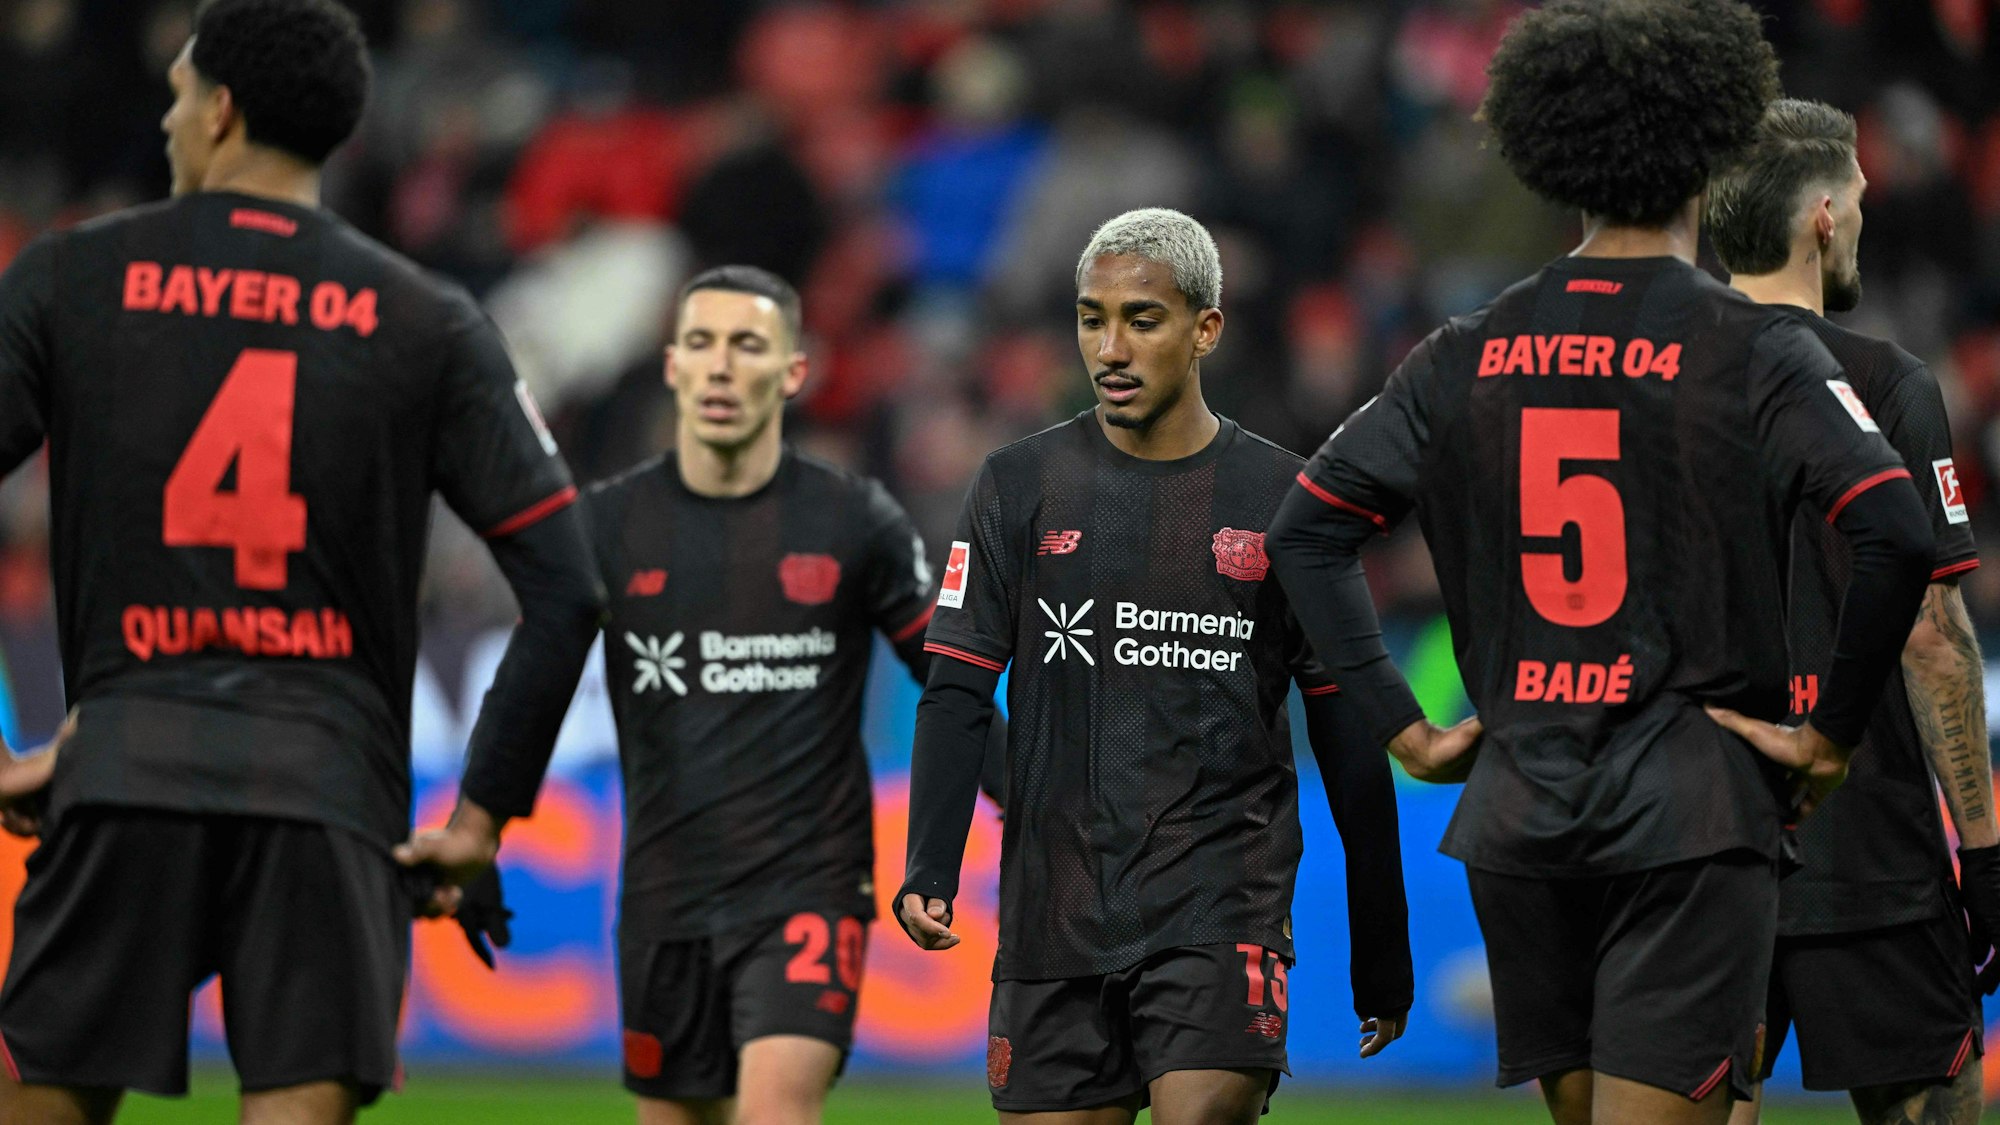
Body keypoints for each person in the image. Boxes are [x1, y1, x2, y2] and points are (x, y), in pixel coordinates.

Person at [1263, 3, 1937, 1123]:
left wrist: (1403, 725)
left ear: (1549, 154)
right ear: (1707, 152)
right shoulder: (1756, 347)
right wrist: (1831, 735)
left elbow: (1305, 527)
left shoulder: (1461, 350)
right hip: (1686, 810)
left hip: (1520, 810)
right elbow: (1895, 528)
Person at [0, 1, 604, 1122]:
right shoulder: (429, 320)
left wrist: (40, 743)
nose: (171, 119)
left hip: (125, 771)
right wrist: (477, 823)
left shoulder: (72, 278)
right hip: (327, 796)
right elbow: (567, 592)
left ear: (220, 111)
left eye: (180, 94)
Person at [898, 208, 1413, 1125]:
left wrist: (1382, 941)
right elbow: (957, 691)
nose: (1111, 346)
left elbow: (1346, 735)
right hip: (1055, 906)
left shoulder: (1287, 503)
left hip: (1221, 902)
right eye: (1093, 318)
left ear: (1205, 328)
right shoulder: (1017, 484)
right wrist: (930, 863)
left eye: (1142, 319)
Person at [583, 264, 1004, 1125]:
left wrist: (1032, 802)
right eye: (702, 343)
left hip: (809, 879)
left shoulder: (854, 520)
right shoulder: (609, 523)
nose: (723, 365)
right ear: (672, 364)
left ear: (793, 370)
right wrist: (482, 809)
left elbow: (946, 675)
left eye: (747, 345)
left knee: (778, 1107)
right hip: (666, 888)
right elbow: (534, 675)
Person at [1706, 99, 1994, 1125]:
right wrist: (1987, 852)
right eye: (1861, 199)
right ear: (1822, 216)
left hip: (1696, 836)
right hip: (1863, 836)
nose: (1866, 217)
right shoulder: (1882, 382)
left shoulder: (1659, 385)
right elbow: (1928, 636)